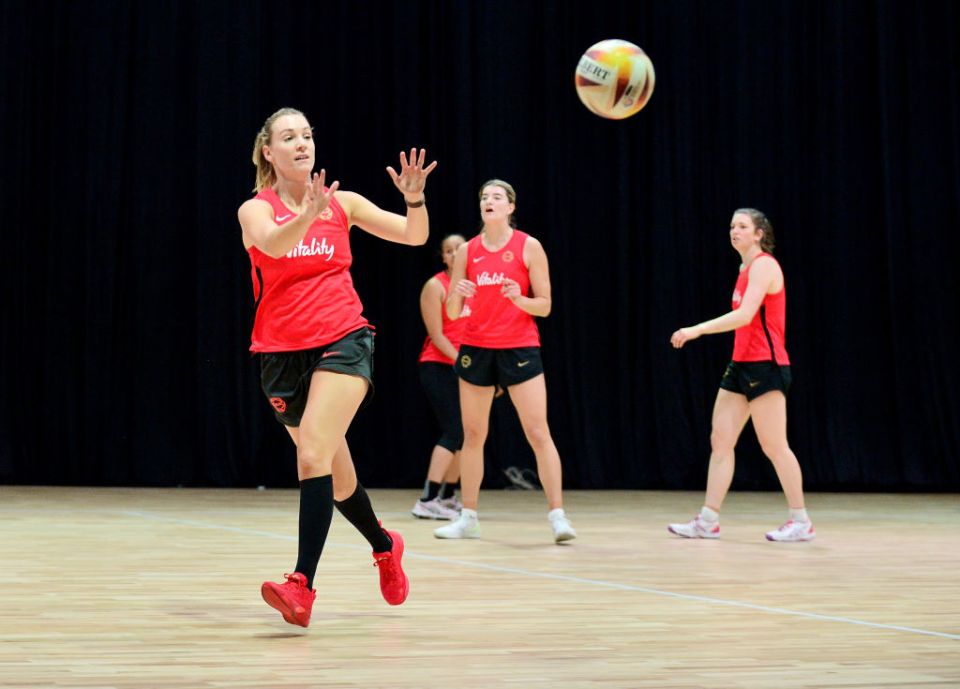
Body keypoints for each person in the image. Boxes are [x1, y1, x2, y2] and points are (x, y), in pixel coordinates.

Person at [237, 107, 437, 626]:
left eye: (307, 134)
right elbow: (275, 244)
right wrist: (305, 214)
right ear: (268, 152)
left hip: (344, 340)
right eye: (289, 136)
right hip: (280, 356)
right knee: (337, 476)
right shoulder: (253, 211)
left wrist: (414, 198)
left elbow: (415, 236)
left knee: (311, 452)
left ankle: (301, 584)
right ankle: (384, 544)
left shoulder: (342, 203)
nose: (302, 143)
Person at [433, 180, 576, 544]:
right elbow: (451, 310)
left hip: (519, 347)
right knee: (473, 435)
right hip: (476, 347)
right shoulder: (467, 250)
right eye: (483, 197)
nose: (489, 201)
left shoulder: (529, 246)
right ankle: (468, 517)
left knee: (538, 432)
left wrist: (519, 299)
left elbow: (544, 305)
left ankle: (558, 516)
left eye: (497, 197)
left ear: (511, 206)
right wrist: (457, 294)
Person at [668, 208, 815, 542]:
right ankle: (708, 520)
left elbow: (746, 315)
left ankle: (801, 521)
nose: (734, 231)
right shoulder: (744, 268)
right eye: (732, 225)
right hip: (741, 364)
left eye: (743, 226)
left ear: (759, 233)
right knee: (720, 440)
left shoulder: (764, 266)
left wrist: (697, 330)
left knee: (775, 445)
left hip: (767, 365)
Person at [412, 234, 469, 520]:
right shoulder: (435, 286)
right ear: (443, 257)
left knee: (467, 434)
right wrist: (466, 365)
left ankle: (447, 495)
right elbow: (437, 336)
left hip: (468, 367)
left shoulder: (475, 287)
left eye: (460, 248)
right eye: (449, 251)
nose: (455, 253)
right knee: (455, 430)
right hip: (438, 366)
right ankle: (427, 498)